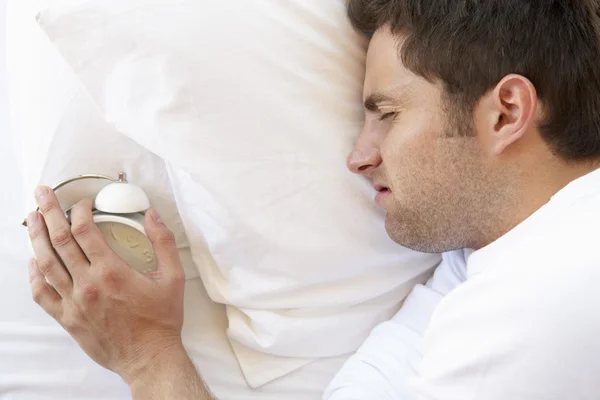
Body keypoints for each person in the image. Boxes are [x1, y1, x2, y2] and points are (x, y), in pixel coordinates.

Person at [25, 0, 600, 399]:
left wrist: (148, 357)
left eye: (389, 116)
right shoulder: (481, 261)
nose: (359, 156)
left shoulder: (547, 299)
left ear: (506, 113)